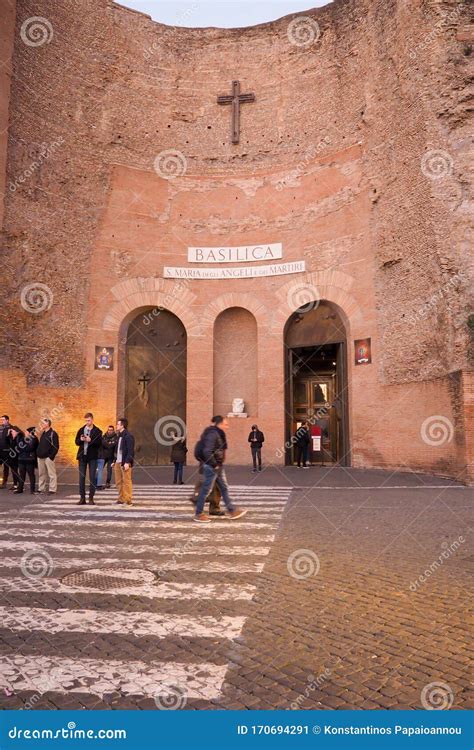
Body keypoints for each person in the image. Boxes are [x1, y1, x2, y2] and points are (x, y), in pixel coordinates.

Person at [194, 415, 247, 523]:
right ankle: (198, 514)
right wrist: (214, 464)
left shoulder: (218, 434)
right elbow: (207, 451)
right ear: (220, 424)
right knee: (206, 490)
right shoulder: (213, 434)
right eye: (225, 424)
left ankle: (232, 510)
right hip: (211, 467)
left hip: (218, 466)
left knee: (224, 488)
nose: (227, 426)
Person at [75, 412, 102, 505]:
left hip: (92, 457)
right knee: (81, 477)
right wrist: (81, 440)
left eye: (89, 420)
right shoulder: (81, 430)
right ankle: (82, 498)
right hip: (82, 456)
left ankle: (91, 497)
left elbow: (99, 443)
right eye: (86, 420)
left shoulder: (98, 431)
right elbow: (76, 442)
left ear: (92, 420)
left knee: (92, 477)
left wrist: (91, 441)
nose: (87, 422)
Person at [113, 417, 135, 507]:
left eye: (118, 424)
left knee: (126, 481)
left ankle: (128, 500)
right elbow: (117, 450)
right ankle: (121, 498)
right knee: (118, 481)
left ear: (122, 425)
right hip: (118, 461)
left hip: (124, 462)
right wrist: (114, 460)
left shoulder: (128, 436)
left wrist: (127, 462)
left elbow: (130, 451)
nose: (116, 426)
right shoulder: (118, 436)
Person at [36, 418, 60, 493]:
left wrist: (51, 456)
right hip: (40, 457)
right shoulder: (43, 433)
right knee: (41, 474)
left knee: (51, 474)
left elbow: (56, 446)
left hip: (48, 457)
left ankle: (52, 489)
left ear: (47, 424)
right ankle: (41, 488)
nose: (41, 425)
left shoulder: (53, 433)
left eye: (43, 423)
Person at [14, 426, 38, 494]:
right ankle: (20, 489)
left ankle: (32, 490)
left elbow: (30, 448)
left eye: (26, 431)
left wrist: (22, 448)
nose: (25, 432)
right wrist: (22, 448)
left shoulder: (34, 439)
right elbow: (18, 447)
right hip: (21, 459)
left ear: (30, 432)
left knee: (31, 475)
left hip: (29, 460)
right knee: (22, 475)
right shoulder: (23, 438)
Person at [0, 415, 13, 489]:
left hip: (6, 451)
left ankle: (4, 482)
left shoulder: (11, 428)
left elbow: (14, 438)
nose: (2, 421)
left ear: (7, 420)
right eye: (1, 420)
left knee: (6, 467)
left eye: (3, 419)